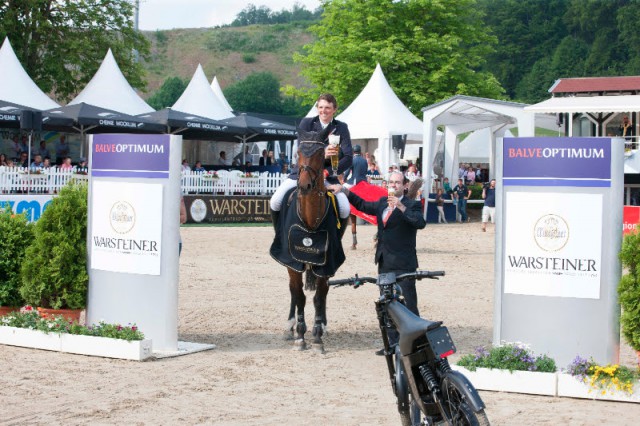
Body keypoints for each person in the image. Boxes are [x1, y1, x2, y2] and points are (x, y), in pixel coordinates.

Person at [328, 171, 426, 349]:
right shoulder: (382, 203)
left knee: (409, 306)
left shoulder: (412, 204)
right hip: (384, 262)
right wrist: (344, 191)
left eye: (397, 182)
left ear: (405, 186)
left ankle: (417, 345)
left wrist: (401, 207)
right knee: (387, 306)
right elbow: (363, 205)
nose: (393, 185)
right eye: (391, 182)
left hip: (404, 264)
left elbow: (420, 223)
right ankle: (393, 344)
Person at [269, 93, 353, 226]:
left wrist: (327, 173)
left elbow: (348, 158)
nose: (323, 111)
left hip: (328, 176)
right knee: (275, 201)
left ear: (334, 109)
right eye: (320, 107)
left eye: (327, 107)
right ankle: (279, 237)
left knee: (344, 209)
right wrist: (323, 154)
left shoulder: (341, 127)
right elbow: (303, 151)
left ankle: (336, 243)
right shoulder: (307, 123)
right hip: (303, 173)